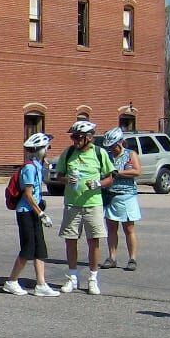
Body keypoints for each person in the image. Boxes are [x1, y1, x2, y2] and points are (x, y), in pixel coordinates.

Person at [53, 119, 115, 294]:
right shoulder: (69, 152)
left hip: (92, 204)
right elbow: (59, 175)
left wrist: (98, 183)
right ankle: (72, 277)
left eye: (78, 137)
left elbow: (110, 178)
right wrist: (66, 180)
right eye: (73, 137)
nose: (75, 140)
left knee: (93, 241)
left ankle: (93, 278)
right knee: (70, 240)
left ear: (89, 137)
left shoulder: (99, 153)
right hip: (72, 203)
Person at [3, 133, 61, 297]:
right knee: (28, 248)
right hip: (26, 212)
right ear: (39, 150)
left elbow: (39, 188)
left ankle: (41, 284)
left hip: (34, 211)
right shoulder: (29, 168)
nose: (48, 150)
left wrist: (47, 169)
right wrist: (41, 213)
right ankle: (11, 281)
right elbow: (28, 194)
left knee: (40, 248)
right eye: (46, 148)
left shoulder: (36, 165)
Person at [100, 128, 141, 271]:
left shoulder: (130, 154)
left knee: (129, 228)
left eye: (114, 146)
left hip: (127, 196)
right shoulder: (108, 157)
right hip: (111, 196)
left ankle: (132, 259)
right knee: (111, 229)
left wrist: (118, 173)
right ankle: (112, 257)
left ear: (121, 142)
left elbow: (136, 171)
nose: (112, 149)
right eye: (110, 147)